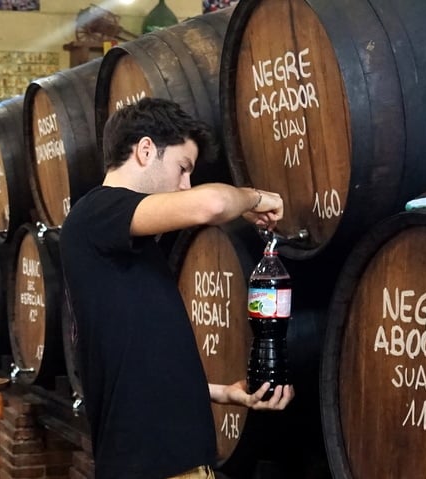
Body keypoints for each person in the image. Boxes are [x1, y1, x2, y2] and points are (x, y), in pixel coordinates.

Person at [59, 97, 294, 479]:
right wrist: (255, 197)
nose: (185, 184)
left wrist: (223, 393)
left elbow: (140, 365)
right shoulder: (97, 212)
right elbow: (213, 203)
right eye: (183, 168)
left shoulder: (125, 242)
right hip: (151, 465)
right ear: (146, 149)